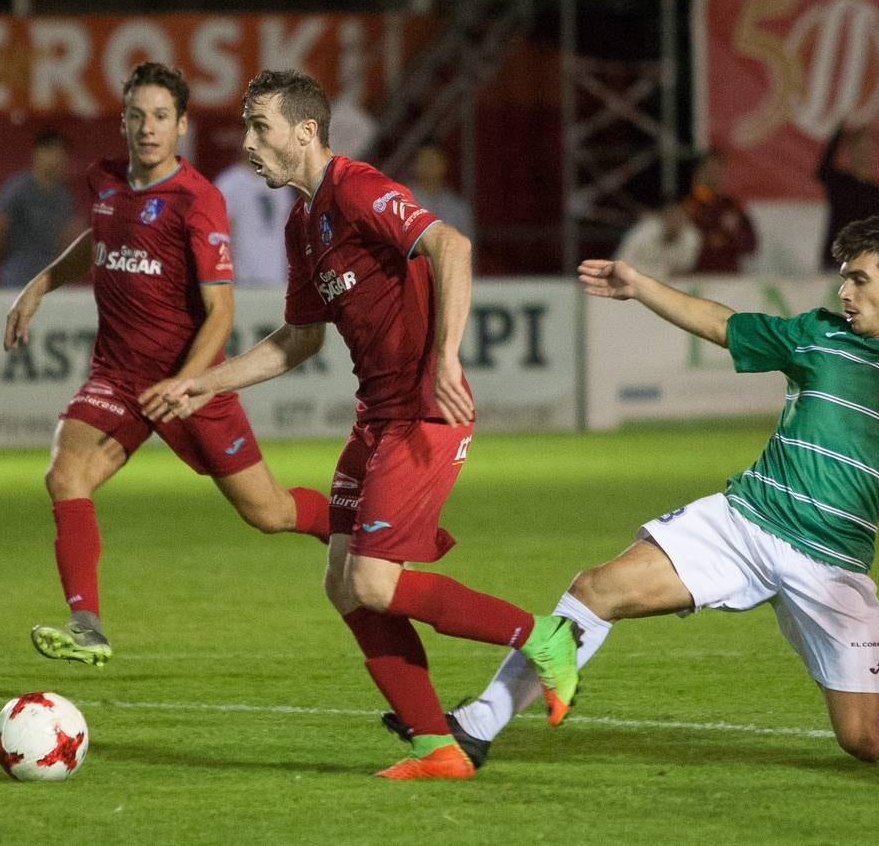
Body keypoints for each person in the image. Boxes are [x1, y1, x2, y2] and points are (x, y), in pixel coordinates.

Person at [399, 214, 879, 771]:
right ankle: (477, 727)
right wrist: (641, 286)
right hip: (745, 521)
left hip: (829, 561)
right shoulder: (818, 335)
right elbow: (723, 323)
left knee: (862, 740)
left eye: (860, 280)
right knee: (595, 588)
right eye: (843, 278)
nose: (846, 293)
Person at [143, 69, 581, 781]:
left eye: (261, 125)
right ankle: (436, 746)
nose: (249, 140)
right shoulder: (301, 222)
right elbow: (299, 339)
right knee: (345, 584)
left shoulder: (353, 187)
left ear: (305, 131)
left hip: (424, 413)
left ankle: (543, 637)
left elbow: (453, 246)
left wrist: (445, 354)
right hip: (377, 417)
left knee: (375, 583)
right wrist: (204, 382)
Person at [2, 62, 334, 668]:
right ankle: (86, 625)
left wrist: (189, 383)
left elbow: (220, 312)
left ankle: (358, 526)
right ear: (123, 120)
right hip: (118, 377)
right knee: (65, 474)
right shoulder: (105, 182)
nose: (147, 128)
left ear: (180, 124)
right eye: (137, 115)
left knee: (269, 512)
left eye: (161, 116)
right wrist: (40, 284)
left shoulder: (197, 200)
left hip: (191, 380)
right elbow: (99, 242)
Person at [0, 129, 77, 289]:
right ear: (37, 154)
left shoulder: (64, 196)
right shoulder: (18, 188)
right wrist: (4, 262)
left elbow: (66, 239)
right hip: (18, 276)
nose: (56, 158)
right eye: (50, 151)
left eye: (60, 152)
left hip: (50, 277)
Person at [213, 151, 295, 288]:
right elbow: (221, 235)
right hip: (243, 281)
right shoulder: (229, 183)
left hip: (278, 281)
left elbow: (288, 233)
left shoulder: (280, 183)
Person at [815, 125, 879, 271]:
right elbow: (822, 169)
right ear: (852, 153)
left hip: (866, 265)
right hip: (836, 262)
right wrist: (839, 133)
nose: (865, 155)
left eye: (868, 151)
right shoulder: (840, 183)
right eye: (860, 150)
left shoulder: (878, 192)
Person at [683, 151, 758, 274]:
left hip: (727, 279)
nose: (713, 176)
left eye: (717, 171)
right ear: (699, 174)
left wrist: (729, 239)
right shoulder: (689, 205)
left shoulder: (733, 207)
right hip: (695, 277)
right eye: (709, 171)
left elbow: (751, 245)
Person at [612, 197, 699, 280]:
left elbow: (684, 268)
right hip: (634, 278)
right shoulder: (644, 231)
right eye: (671, 218)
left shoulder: (691, 237)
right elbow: (621, 260)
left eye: (679, 219)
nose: (674, 223)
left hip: (669, 282)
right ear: (663, 218)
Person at [408, 142, 474, 242]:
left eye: (433, 160)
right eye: (424, 160)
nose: (429, 166)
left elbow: (468, 248)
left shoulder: (458, 207)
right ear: (415, 165)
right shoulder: (402, 203)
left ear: (444, 164)